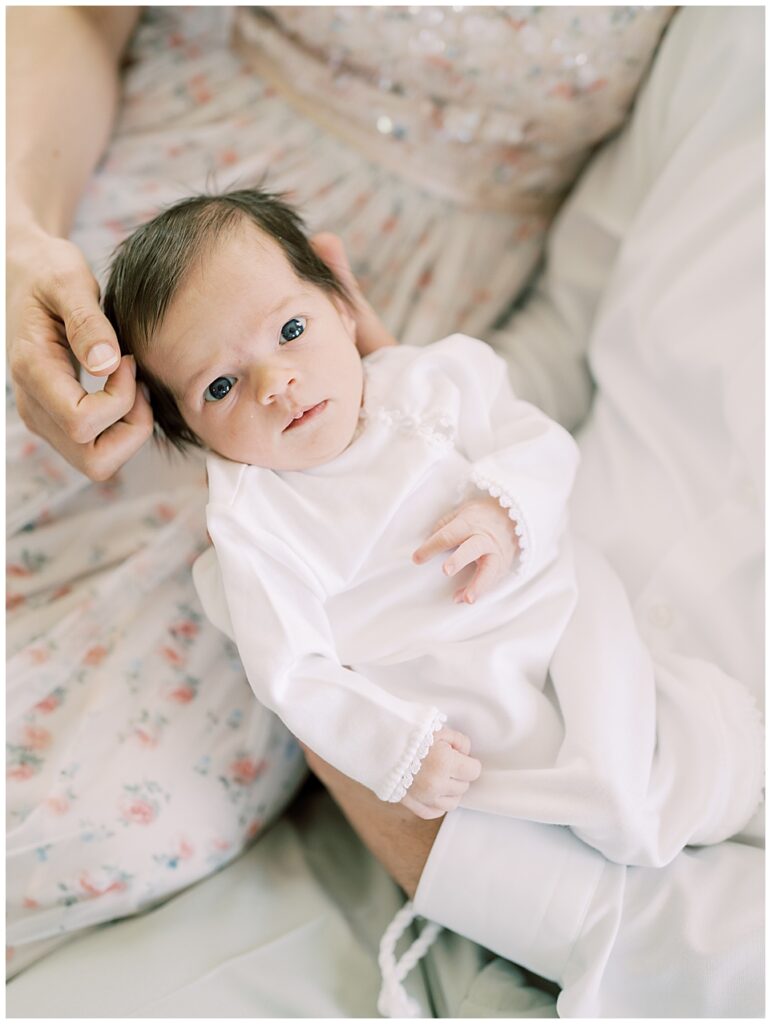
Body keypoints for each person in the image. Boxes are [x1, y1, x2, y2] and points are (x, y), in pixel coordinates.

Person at [6, 5, 762, 1017]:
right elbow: (294, 669)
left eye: (289, 334)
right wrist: (394, 746)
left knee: (96, 810)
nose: (274, 382)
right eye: (225, 389)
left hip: (439, 309)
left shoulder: (430, 382)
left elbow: (532, 429)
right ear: (183, 424)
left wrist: (501, 507)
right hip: (122, 212)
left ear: (331, 298)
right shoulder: (247, 524)